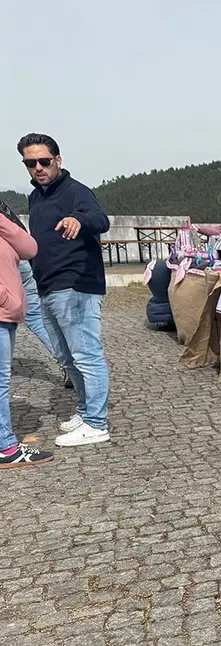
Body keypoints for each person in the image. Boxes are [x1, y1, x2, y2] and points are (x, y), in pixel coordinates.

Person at [18, 132, 112, 447]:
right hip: (46, 284)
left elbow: (100, 219)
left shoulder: (76, 192)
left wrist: (78, 220)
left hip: (75, 284)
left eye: (44, 161)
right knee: (68, 358)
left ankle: (97, 424)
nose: (38, 168)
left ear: (58, 160)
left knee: (86, 354)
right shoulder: (35, 197)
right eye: (31, 163)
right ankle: (86, 411)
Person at [0, 210, 53, 465]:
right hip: (2, 312)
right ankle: (6, 448)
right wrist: (8, 300)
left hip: (6, 315)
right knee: (0, 383)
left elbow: (30, 248)